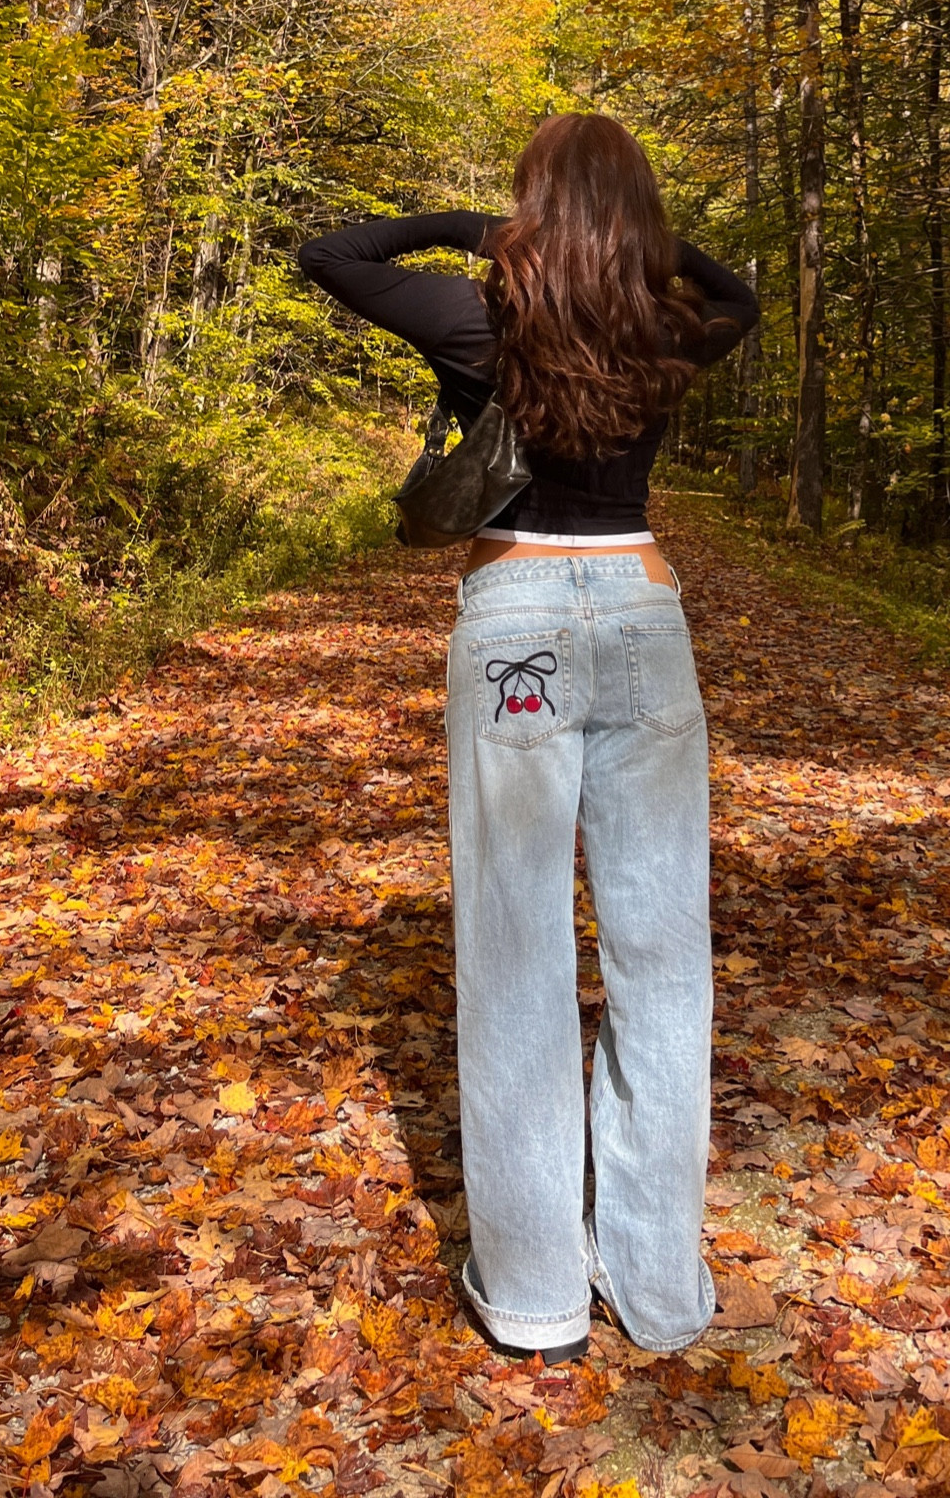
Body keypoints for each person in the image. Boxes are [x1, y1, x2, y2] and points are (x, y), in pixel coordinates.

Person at [298, 112, 759, 1363]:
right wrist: (647, 247)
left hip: (515, 617)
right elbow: (743, 297)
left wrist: (474, 230)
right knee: (663, 953)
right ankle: (659, 1287)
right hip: (643, 608)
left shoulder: (481, 316)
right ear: (635, 215)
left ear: (532, 205)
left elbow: (331, 252)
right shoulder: (661, 324)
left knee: (516, 951)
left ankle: (538, 1295)